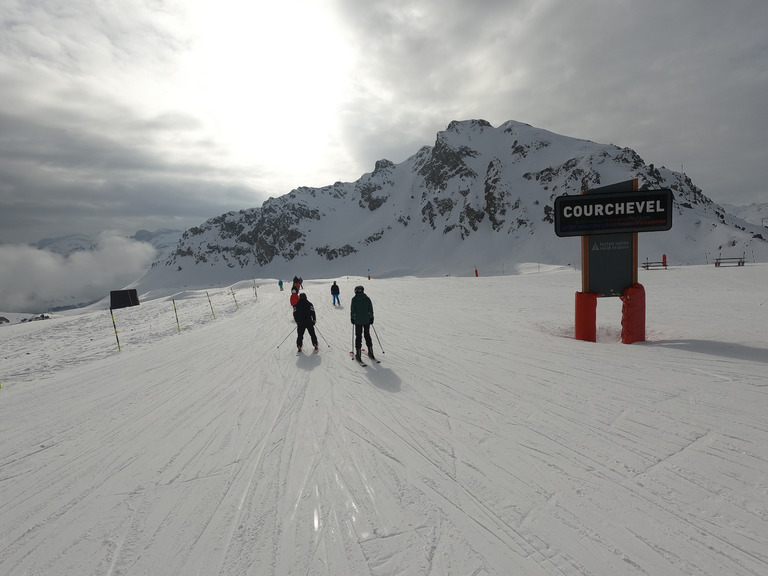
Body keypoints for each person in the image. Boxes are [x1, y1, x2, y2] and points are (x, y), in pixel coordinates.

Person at [350, 285, 374, 361]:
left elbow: (353, 310)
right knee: (367, 335)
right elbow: (370, 309)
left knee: (358, 336)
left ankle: (359, 354)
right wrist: (371, 318)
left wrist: (352, 318)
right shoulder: (367, 299)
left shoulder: (354, 299)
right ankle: (371, 352)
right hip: (366, 321)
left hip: (358, 321)